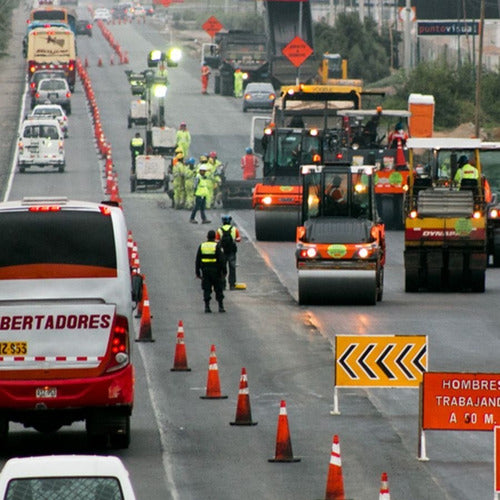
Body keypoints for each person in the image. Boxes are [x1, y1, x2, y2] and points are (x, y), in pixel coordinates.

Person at [195, 230, 226, 313]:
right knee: (218, 289)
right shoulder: (217, 246)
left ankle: (207, 306)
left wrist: (197, 273)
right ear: (215, 237)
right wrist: (224, 272)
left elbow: (197, 260)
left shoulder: (202, 246)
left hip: (205, 271)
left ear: (207, 237)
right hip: (216, 272)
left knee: (207, 289)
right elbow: (222, 260)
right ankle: (220, 306)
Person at [216, 215, 241, 290]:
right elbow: (238, 239)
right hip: (232, 252)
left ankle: (223, 285)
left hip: (222, 252)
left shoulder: (219, 230)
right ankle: (232, 285)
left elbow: (216, 240)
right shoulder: (234, 229)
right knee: (232, 268)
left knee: (222, 269)